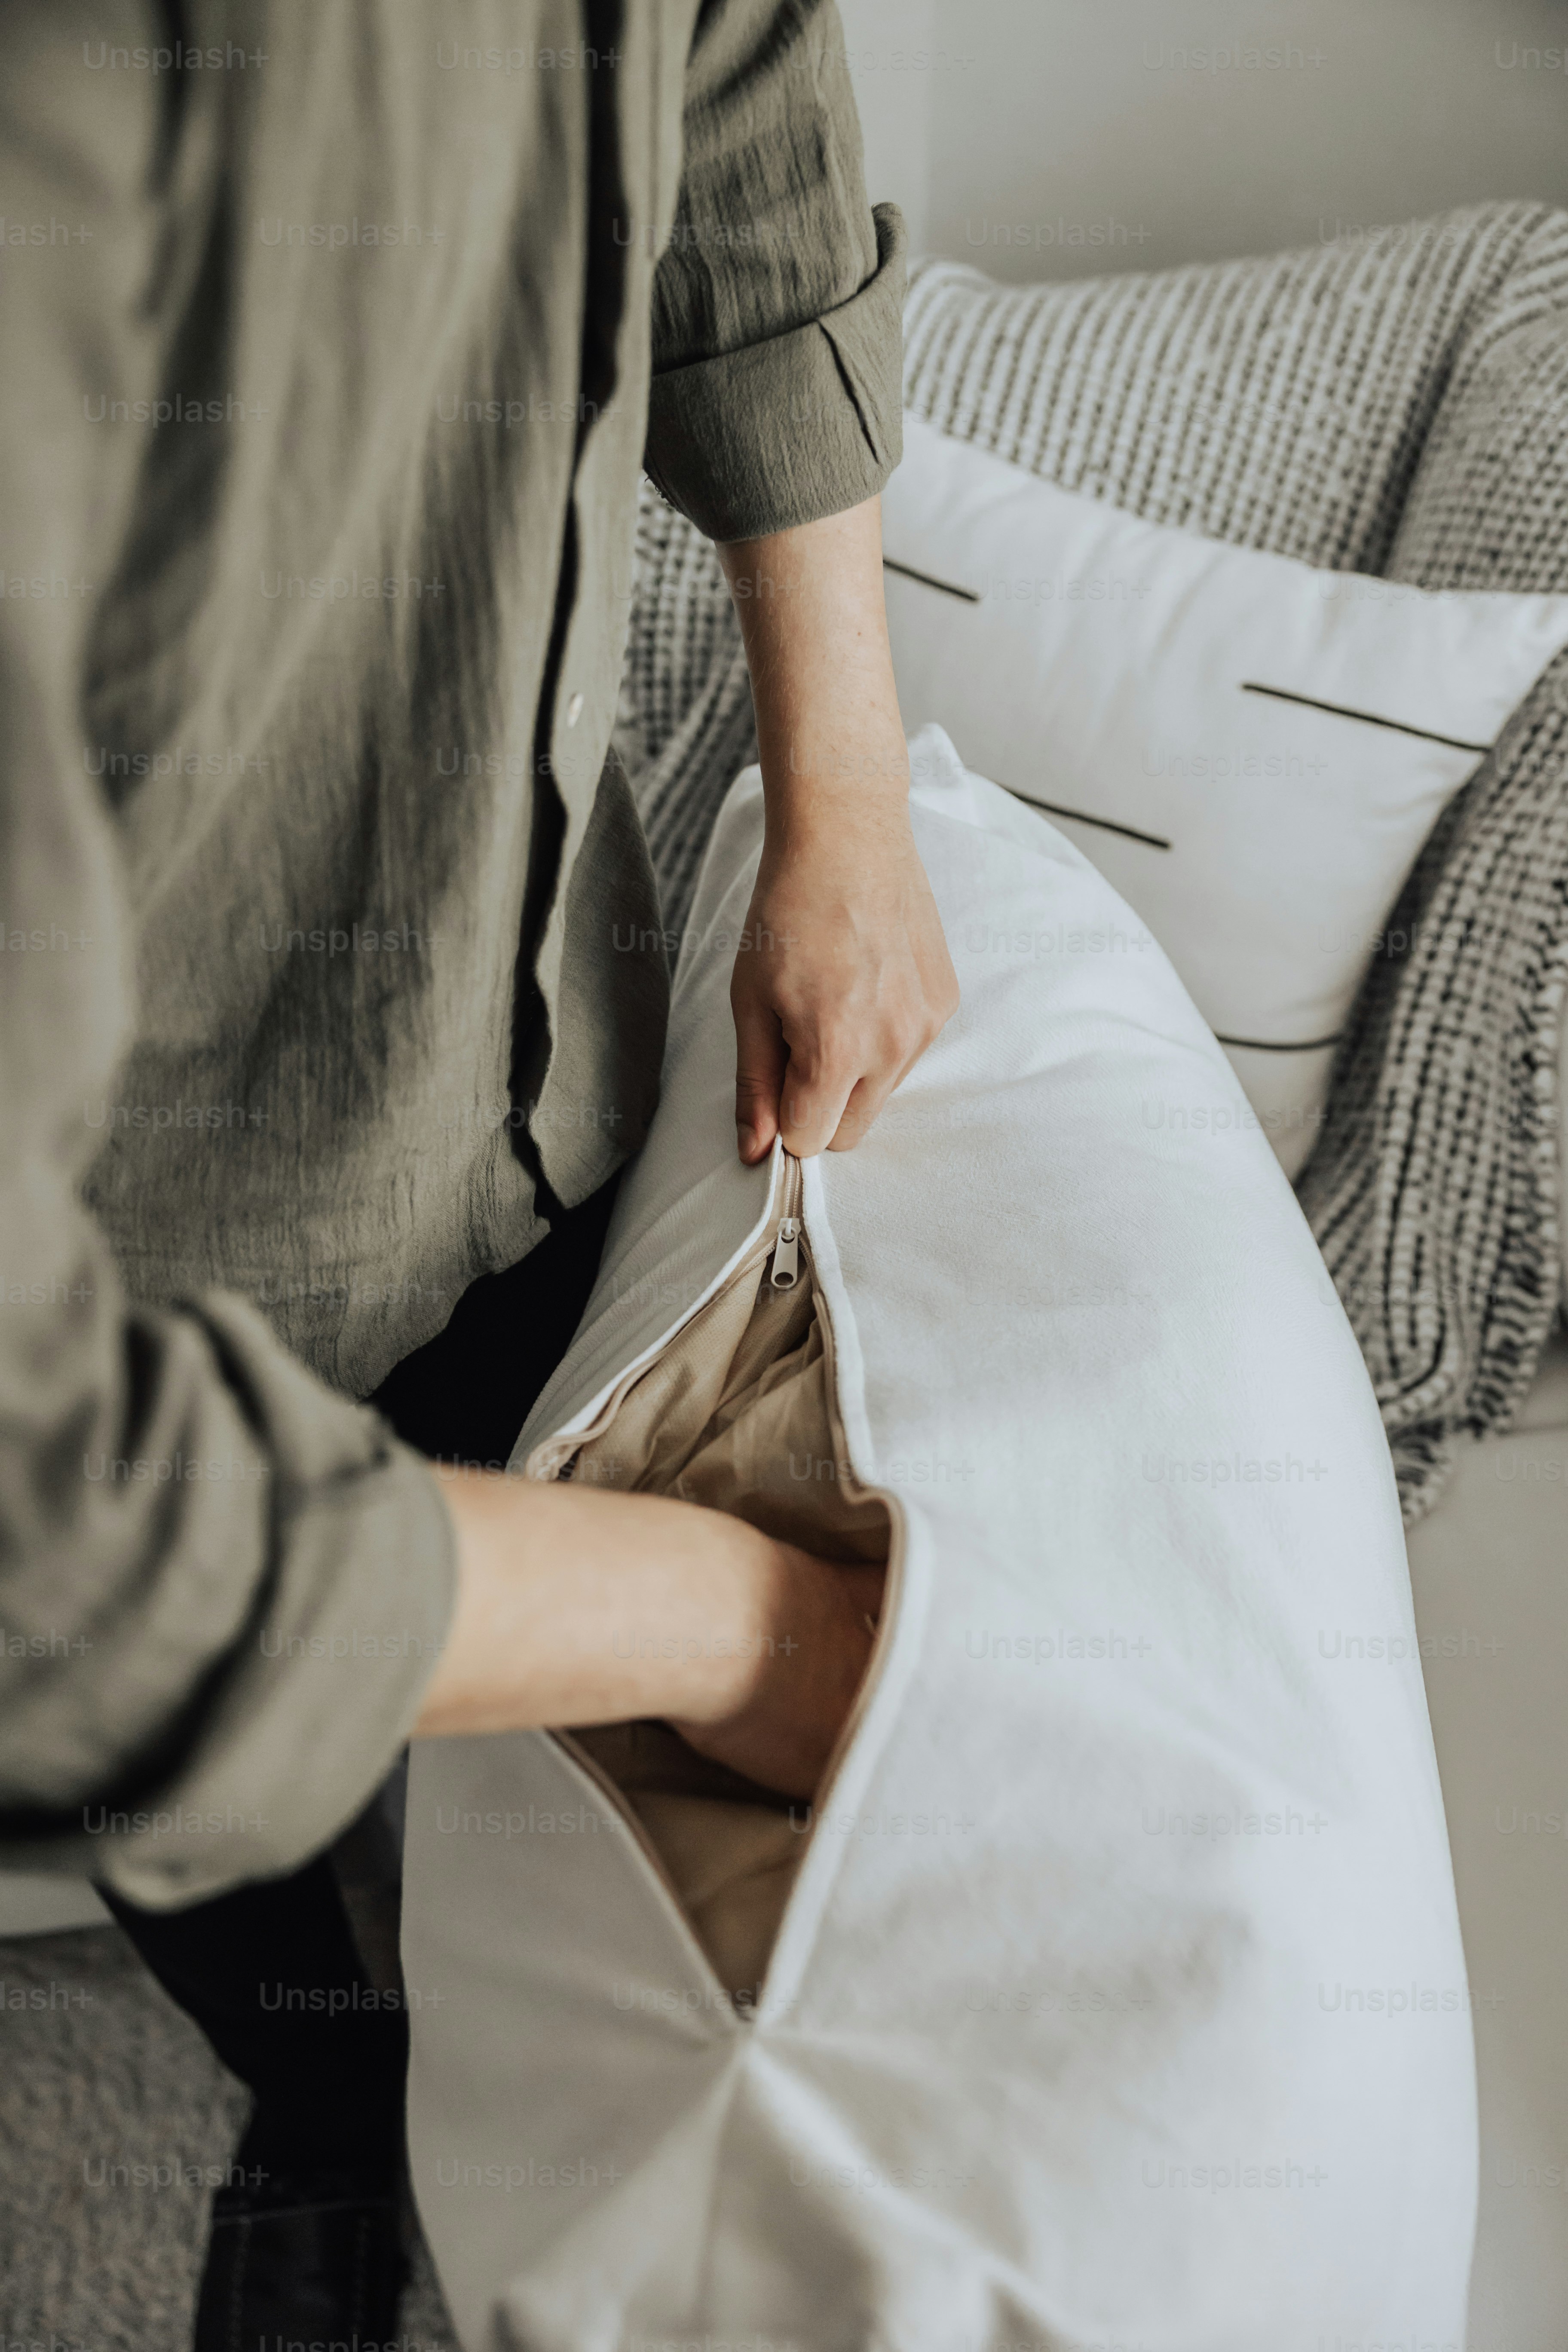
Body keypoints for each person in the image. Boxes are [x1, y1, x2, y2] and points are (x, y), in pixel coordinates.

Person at [0, 0, 956, 2339]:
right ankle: (327, 2114)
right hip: (154, 1272)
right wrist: (764, 1633)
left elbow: (735, 97)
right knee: (289, 1955)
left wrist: (845, 789)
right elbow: (43, 1551)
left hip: (540, 1052)